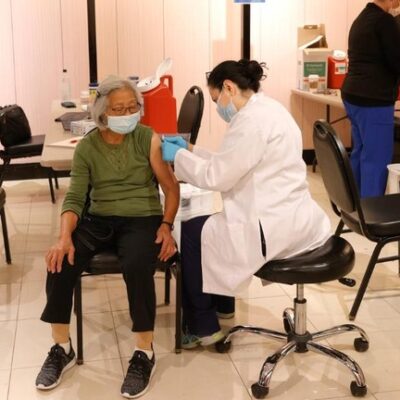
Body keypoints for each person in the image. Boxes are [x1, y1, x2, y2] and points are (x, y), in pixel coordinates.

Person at [161, 59, 331, 349]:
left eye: (216, 98)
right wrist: (189, 149)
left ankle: (202, 326)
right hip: (295, 217)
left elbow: (218, 176)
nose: (218, 107)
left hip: (271, 227)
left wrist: (177, 157)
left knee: (191, 231)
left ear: (228, 87)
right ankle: (223, 306)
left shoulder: (250, 122)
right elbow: (231, 161)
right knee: (212, 225)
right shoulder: (269, 109)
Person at [35, 76, 179, 398]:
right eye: (119, 109)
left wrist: (166, 225)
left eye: (132, 107)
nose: (128, 114)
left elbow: (171, 187)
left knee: (138, 265)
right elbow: (75, 197)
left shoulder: (147, 139)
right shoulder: (87, 147)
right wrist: (63, 237)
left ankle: (144, 352)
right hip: (99, 218)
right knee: (60, 262)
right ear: (102, 112)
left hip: (142, 217)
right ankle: (61, 348)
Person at [341, 0, 400, 198]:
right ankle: (372, 210)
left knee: (361, 152)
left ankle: (355, 204)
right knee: (377, 158)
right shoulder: (385, 21)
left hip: (353, 96)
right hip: (373, 99)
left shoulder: (361, 18)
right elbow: (396, 61)